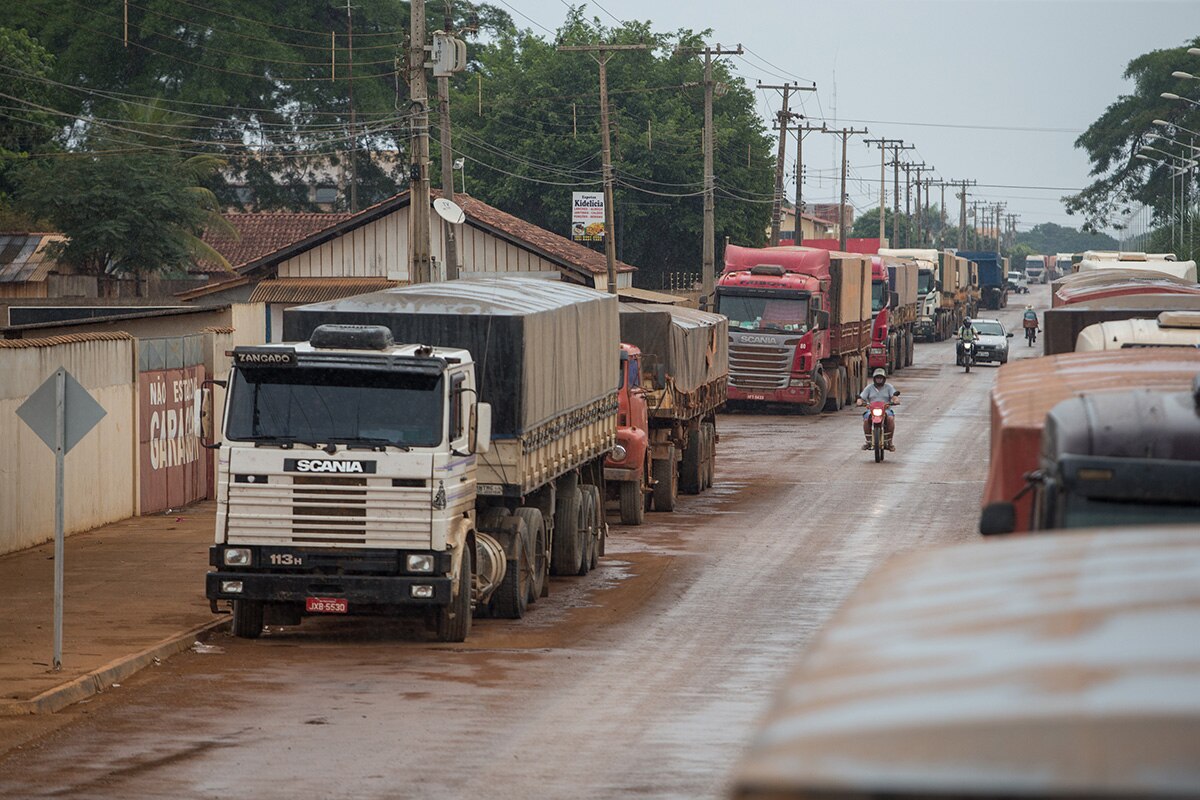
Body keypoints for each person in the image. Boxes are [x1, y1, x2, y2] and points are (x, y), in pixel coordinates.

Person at [857, 368, 899, 451]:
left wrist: (895, 400)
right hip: (871, 410)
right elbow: (861, 397)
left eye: (881, 378)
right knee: (866, 419)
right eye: (877, 378)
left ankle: (890, 442)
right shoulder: (869, 388)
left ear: (884, 379)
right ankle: (868, 441)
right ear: (874, 379)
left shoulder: (889, 387)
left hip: (886, 410)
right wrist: (860, 401)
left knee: (890, 418)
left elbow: (894, 397)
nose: (879, 380)